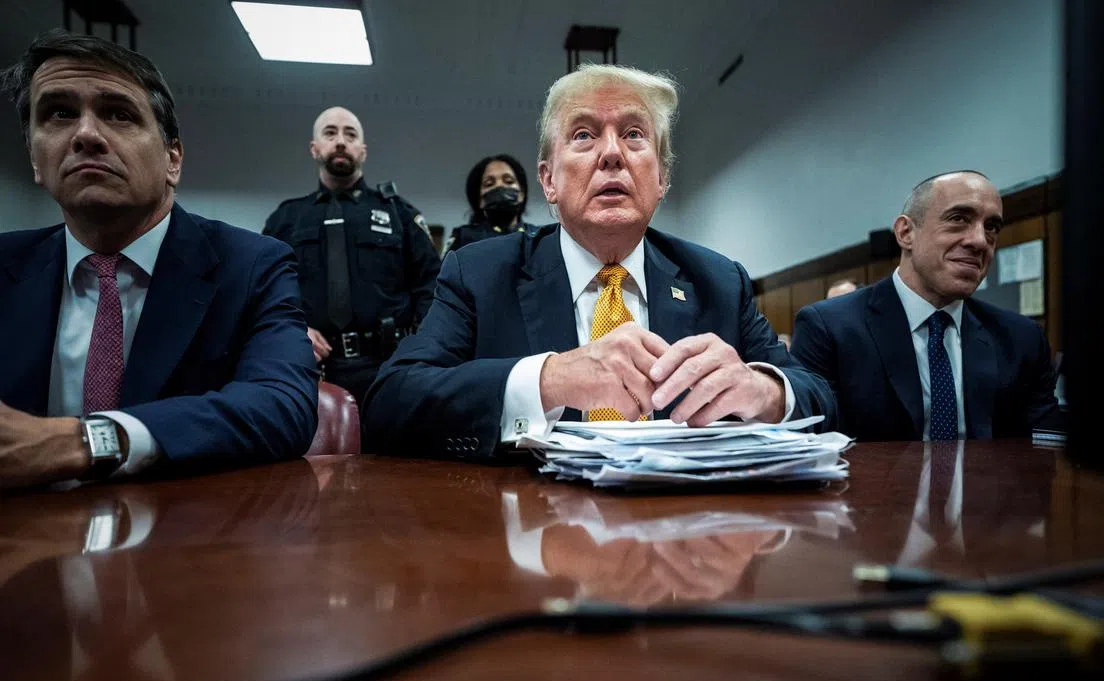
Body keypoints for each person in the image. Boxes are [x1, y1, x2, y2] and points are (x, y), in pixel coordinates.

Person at [363, 64, 835, 459]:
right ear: (549, 180)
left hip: (684, 531)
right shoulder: (479, 273)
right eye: (584, 135)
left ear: (662, 178)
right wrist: (547, 381)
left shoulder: (719, 281)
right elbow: (389, 405)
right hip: (533, 529)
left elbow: (821, 398)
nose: (612, 153)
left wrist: (765, 391)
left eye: (634, 134)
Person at [0, 31, 318, 490]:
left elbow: (283, 405)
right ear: (34, 157)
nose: (86, 135)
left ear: (173, 158)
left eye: (119, 114)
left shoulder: (252, 265)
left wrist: (90, 441)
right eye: (59, 113)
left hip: (180, 529)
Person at [792, 170, 1061, 441]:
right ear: (906, 232)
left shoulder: (1021, 339)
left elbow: (1045, 447)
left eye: (991, 227)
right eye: (958, 219)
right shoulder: (829, 328)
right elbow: (810, 444)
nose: (980, 241)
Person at [262, 106, 440, 405]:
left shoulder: (399, 213)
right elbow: (266, 292)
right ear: (314, 148)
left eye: (350, 134)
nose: (341, 141)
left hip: (391, 369)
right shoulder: (285, 219)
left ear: (363, 150)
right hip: (311, 370)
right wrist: (292, 330)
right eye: (330, 133)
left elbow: (431, 286)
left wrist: (420, 353)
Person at [443, 153, 539, 255]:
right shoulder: (463, 238)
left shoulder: (538, 237)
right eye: (489, 184)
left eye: (509, 181)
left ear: (521, 194)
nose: (499, 186)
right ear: (480, 200)